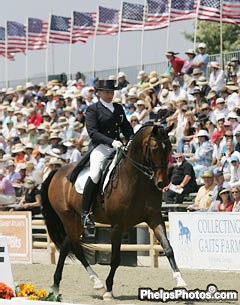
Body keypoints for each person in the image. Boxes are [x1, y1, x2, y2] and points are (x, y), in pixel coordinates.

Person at [82, 80, 134, 229]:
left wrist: (131, 139)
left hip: (118, 146)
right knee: (96, 174)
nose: (109, 95)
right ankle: (85, 213)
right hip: (101, 147)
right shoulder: (93, 109)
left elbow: (127, 127)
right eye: (106, 92)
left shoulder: (118, 108)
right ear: (99, 93)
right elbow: (93, 132)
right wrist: (111, 142)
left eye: (111, 92)